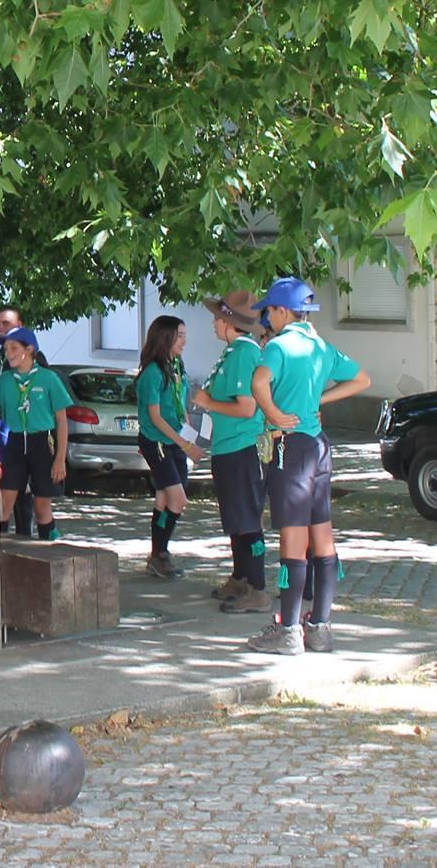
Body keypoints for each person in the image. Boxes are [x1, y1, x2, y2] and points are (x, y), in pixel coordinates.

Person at [247, 277, 371, 655]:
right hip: (319, 447)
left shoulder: (278, 346)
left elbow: (259, 383)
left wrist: (273, 413)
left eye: (269, 311)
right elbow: (362, 379)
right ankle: (319, 626)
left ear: (284, 311)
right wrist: (320, 399)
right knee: (323, 536)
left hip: (290, 448)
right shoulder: (321, 346)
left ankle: (287, 630)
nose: (267, 318)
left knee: (293, 538)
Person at [195, 293, 269, 613]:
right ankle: (241, 578)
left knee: (248, 520)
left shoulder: (243, 353)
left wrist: (207, 402)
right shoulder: (232, 352)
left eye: (217, 318)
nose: (213, 323)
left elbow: (246, 407)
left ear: (229, 322)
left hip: (242, 447)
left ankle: (258, 589)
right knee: (236, 519)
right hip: (228, 447)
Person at [134, 316, 205, 578]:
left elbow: (179, 404)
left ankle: (158, 554)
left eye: (185, 335)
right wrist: (185, 444)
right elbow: (155, 417)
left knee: (165, 497)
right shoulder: (153, 372)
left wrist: (188, 432)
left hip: (175, 439)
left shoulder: (176, 366)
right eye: (180, 335)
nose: (184, 341)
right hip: (158, 441)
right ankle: (160, 553)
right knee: (178, 498)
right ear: (165, 337)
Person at [0, 327, 72, 543]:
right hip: (13, 443)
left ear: (29, 349)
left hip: (42, 443)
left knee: (41, 506)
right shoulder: (3, 381)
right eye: (6, 349)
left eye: (13, 348)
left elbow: (61, 419)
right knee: (4, 503)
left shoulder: (48, 379)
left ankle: (49, 548)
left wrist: (60, 458)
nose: (8, 353)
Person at [0, 306, 36, 536]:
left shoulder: (32, 358)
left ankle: (25, 538)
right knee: (2, 495)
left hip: (23, 435)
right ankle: (1, 541)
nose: (0, 328)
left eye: (6, 323)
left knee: (24, 492)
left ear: (19, 325)